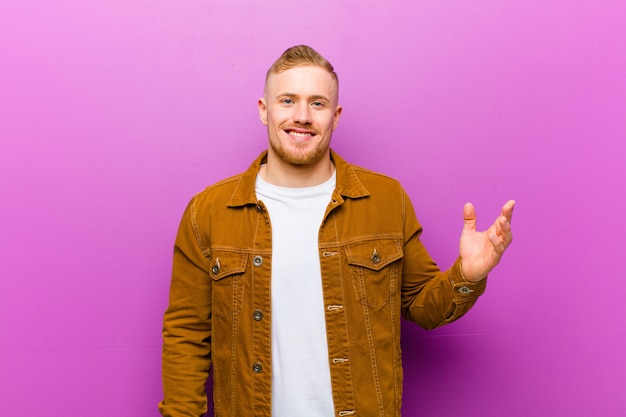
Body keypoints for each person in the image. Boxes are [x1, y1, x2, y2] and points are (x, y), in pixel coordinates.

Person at [159, 45, 515, 417]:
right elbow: (186, 334)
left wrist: (468, 275)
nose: (302, 116)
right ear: (264, 110)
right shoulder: (210, 211)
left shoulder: (385, 200)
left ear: (336, 115)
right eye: (287, 100)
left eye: (317, 103)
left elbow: (422, 306)